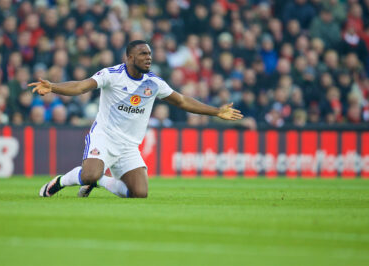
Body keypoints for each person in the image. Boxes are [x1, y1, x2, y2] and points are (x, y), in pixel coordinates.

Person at [29, 40, 243, 199]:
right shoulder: (112, 75)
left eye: (149, 54)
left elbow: (182, 101)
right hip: (104, 137)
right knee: (89, 173)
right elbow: (81, 86)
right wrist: (53, 87)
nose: (148, 57)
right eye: (142, 54)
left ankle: (100, 181)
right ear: (129, 58)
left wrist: (216, 112)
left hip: (129, 146)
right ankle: (59, 182)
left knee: (139, 194)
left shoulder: (154, 83)